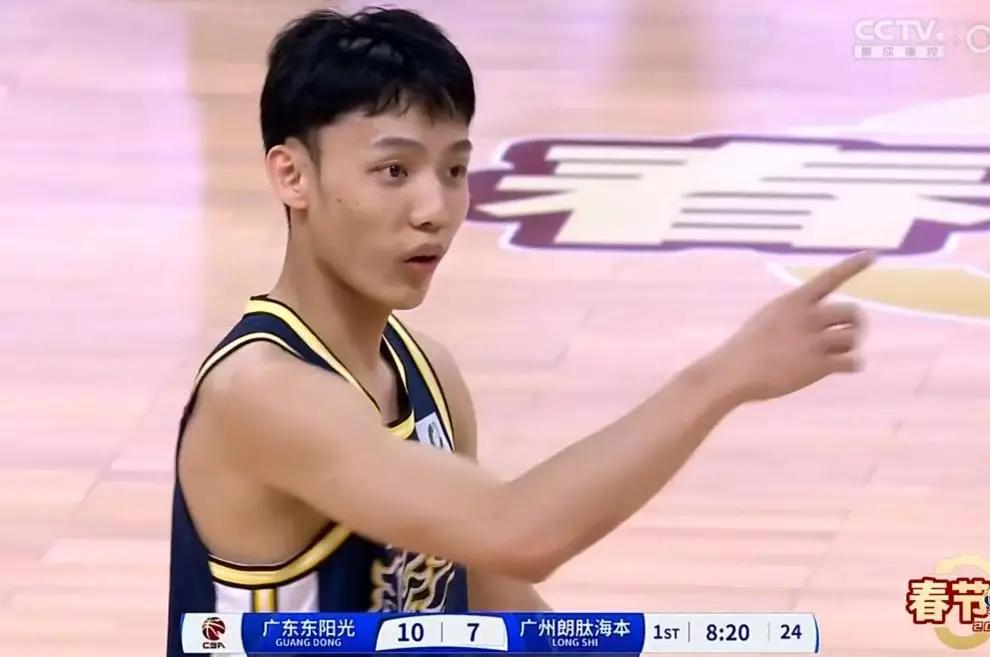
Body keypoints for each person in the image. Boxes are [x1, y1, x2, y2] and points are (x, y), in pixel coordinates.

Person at [166, 5, 873, 654]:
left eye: (454, 169)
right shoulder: (261, 394)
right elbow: (519, 531)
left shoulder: (429, 373)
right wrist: (721, 379)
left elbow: (495, 595)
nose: (434, 208)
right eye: (394, 170)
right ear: (292, 176)